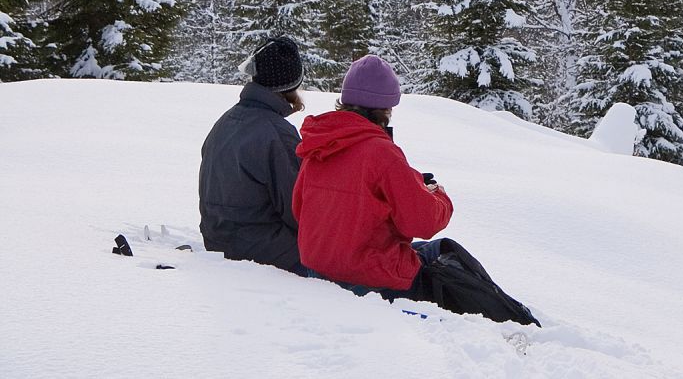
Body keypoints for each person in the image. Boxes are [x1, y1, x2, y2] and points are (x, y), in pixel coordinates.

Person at [294, 54, 538, 325]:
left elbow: (300, 208)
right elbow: (422, 222)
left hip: (319, 273)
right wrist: (438, 194)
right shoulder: (381, 152)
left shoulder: (318, 146)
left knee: (425, 252)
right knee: (446, 253)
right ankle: (510, 318)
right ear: (385, 107)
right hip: (369, 280)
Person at [198, 36, 306, 275]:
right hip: (261, 253)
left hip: (217, 242)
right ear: (289, 86)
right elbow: (298, 212)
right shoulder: (277, 134)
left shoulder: (225, 121)